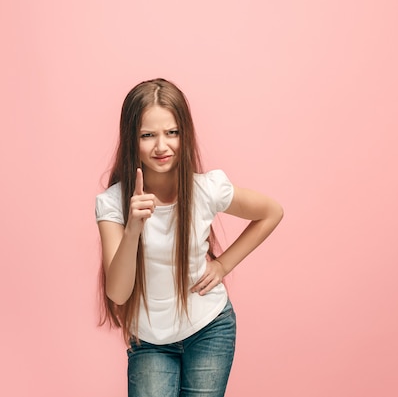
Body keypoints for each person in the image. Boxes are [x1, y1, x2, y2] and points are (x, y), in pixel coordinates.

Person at [95, 78, 284, 397]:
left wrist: (222, 266)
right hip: (150, 341)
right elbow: (118, 293)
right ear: (131, 140)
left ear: (185, 133)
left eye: (172, 132)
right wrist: (134, 229)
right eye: (147, 135)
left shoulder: (206, 190)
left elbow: (271, 211)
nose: (161, 146)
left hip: (210, 328)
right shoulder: (113, 204)